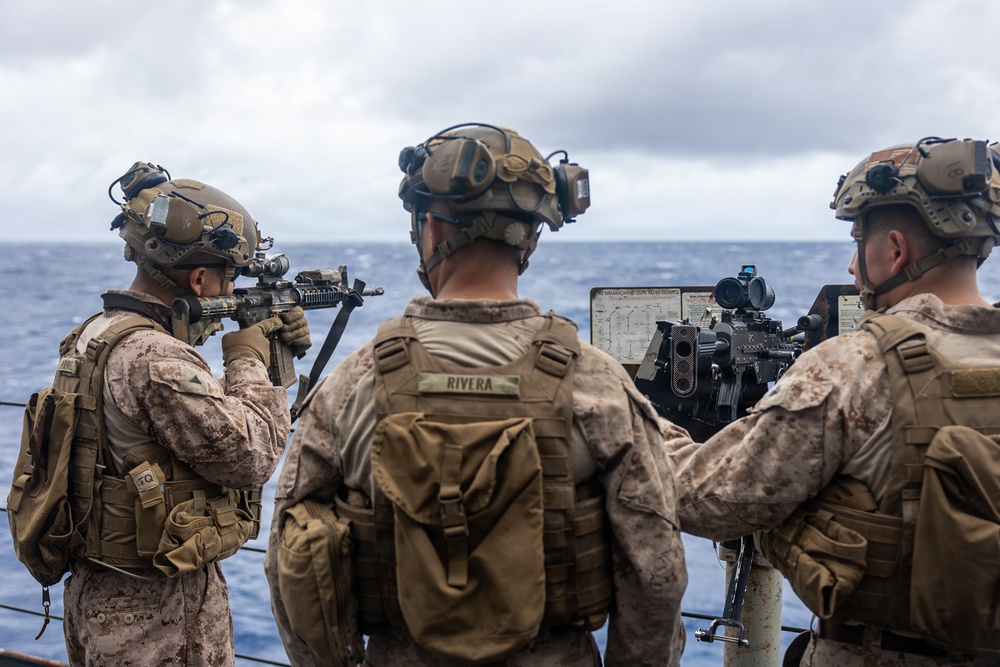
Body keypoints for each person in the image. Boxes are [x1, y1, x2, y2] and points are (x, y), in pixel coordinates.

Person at [264, 123, 687, 667]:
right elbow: (655, 573)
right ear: (530, 238)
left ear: (432, 231)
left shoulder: (353, 382)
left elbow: (291, 560)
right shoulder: (596, 381)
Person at [663, 137, 1000, 666]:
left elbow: (706, 499)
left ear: (894, 248)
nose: (850, 265)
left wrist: (647, 422)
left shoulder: (854, 366)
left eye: (856, 241)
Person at [48, 162, 308, 666]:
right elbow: (250, 457)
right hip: (159, 609)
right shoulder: (157, 358)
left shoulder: (98, 332)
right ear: (199, 277)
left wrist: (275, 355)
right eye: (229, 280)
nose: (232, 294)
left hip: (101, 589)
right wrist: (248, 355)